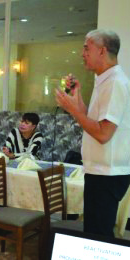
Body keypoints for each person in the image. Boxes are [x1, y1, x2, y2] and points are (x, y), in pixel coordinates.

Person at [55, 29, 130, 237]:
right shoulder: (105, 80)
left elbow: (104, 134)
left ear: (102, 51)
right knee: (94, 232)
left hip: (107, 174)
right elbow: (93, 121)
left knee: (98, 236)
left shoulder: (115, 83)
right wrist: (77, 100)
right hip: (99, 172)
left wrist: (71, 109)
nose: (82, 53)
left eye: (87, 48)